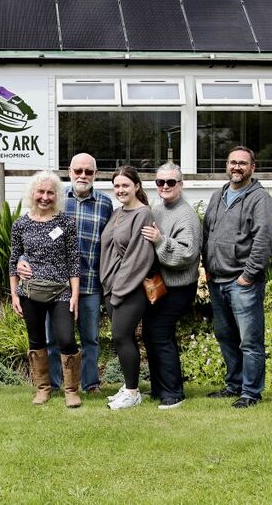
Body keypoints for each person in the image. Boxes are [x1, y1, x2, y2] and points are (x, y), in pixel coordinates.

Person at [17, 153, 111, 394]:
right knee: (53, 339)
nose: (82, 176)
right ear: (69, 171)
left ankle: (90, 384)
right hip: (55, 286)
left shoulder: (105, 204)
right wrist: (22, 260)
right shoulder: (57, 197)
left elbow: (110, 243)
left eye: (88, 172)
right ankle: (55, 384)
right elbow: (32, 238)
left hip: (89, 283)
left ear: (95, 174)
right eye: (78, 171)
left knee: (90, 338)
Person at [202, 146, 272, 408]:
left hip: (242, 282)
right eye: (233, 162)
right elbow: (206, 233)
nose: (237, 167)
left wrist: (248, 275)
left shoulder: (260, 199)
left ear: (252, 168)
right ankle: (234, 384)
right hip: (217, 280)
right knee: (225, 336)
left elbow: (264, 240)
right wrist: (206, 266)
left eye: (242, 163)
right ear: (227, 165)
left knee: (250, 340)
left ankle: (251, 392)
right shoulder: (218, 195)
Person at [8, 171, 82, 407]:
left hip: (61, 292)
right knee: (36, 340)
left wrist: (75, 296)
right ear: (33, 193)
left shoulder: (66, 223)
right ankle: (43, 388)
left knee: (66, 339)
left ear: (57, 195)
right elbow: (13, 261)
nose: (45, 197)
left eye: (50, 192)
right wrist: (14, 294)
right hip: (30, 292)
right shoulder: (20, 224)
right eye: (41, 191)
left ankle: (71, 390)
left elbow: (73, 262)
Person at [140, 162, 201, 409]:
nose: (165, 186)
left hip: (178, 288)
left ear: (180, 184)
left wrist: (160, 240)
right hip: (158, 285)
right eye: (160, 182)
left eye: (170, 182)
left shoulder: (187, 215)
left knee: (160, 335)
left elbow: (187, 254)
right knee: (150, 334)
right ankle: (159, 388)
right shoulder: (158, 209)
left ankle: (173, 393)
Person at [100, 166, 157, 410]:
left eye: (125, 185)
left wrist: (119, 289)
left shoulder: (144, 214)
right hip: (111, 286)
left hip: (130, 289)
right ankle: (129, 385)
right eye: (117, 186)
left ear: (136, 186)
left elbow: (138, 257)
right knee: (124, 339)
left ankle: (133, 393)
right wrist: (108, 284)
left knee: (121, 335)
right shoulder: (117, 213)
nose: (120, 190)